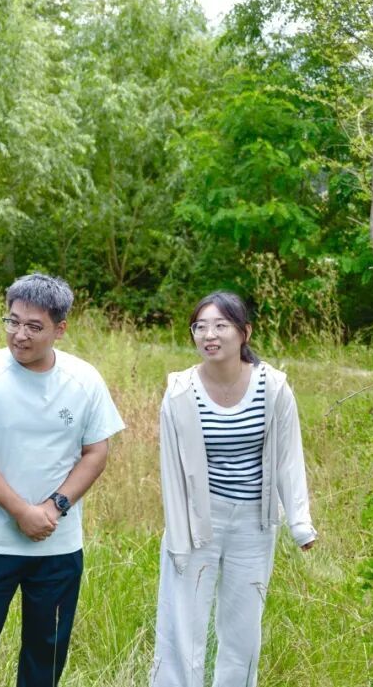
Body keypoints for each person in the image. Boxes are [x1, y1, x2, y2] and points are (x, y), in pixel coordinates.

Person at [0, 274, 125, 687]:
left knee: (47, 651)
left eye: (34, 326)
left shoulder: (84, 380)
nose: (19, 335)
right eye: (13, 321)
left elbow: (96, 452)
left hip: (58, 544)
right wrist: (22, 511)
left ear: (60, 329)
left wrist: (54, 506)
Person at [150, 291, 317, 687]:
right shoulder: (180, 391)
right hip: (196, 521)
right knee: (180, 623)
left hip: (253, 523)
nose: (209, 335)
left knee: (243, 629)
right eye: (200, 327)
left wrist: (300, 524)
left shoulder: (273, 387)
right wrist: (177, 533)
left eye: (220, 326)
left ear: (245, 332)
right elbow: (170, 469)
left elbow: (288, 457)